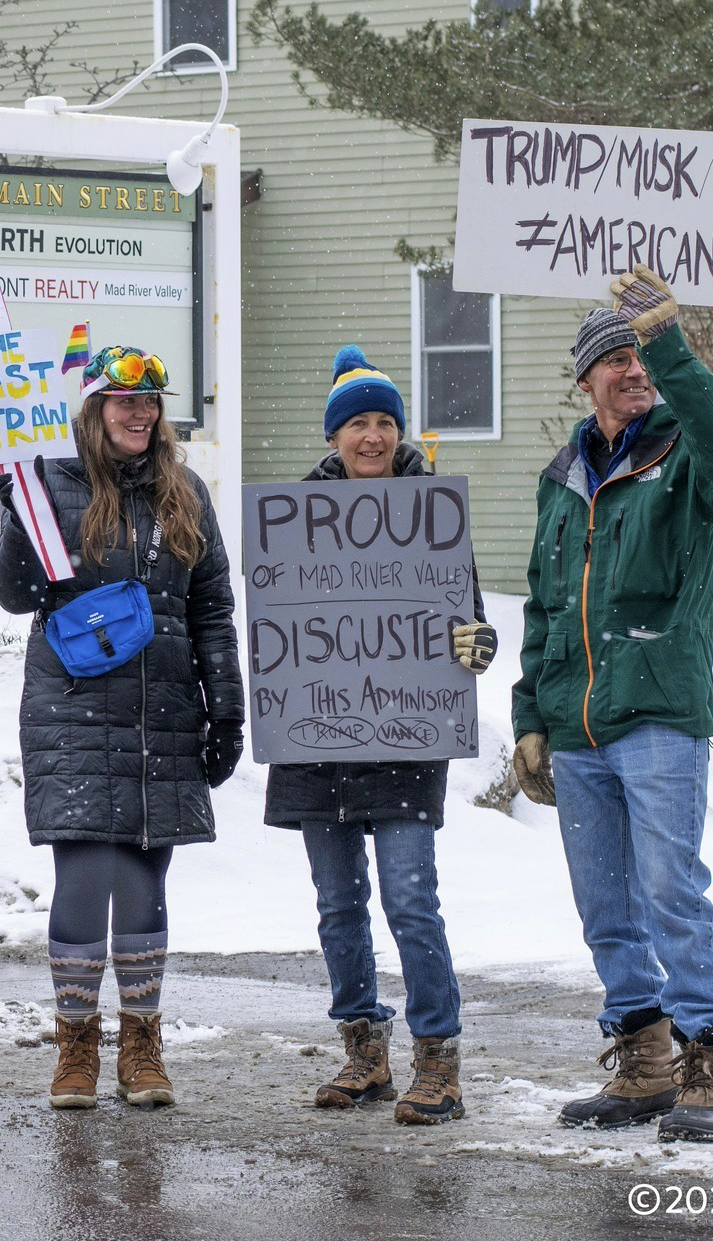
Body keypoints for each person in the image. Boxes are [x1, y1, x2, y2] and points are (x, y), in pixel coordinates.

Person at [510, 267, 713, 1144]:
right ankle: (644, 1063)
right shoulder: (559, 481)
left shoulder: (685, 456)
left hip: (658, 713)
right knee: (605, 903)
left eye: (636, 355)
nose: (631, 369)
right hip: (577, 727)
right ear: (585, 380)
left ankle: (708, 1062)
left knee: (669, 891)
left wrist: (669, 340)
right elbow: (545, 608)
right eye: (614, 357)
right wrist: (528, 720)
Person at [0, 345, 244, 1110]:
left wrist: (225, 706)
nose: (140, 414)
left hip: (161, 710)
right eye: (123, 402)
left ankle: (142, 1045)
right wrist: (17, 524)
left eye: (151, 402)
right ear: (95, 411)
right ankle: (75, 1051)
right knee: (84, 873)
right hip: (72, 708)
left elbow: (212, 608)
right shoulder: (49, 487)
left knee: (142, 876)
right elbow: (13, 595)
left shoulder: (186, 493)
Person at [264, 346, 497, 1125]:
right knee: (337, 905)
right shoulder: (292, 518)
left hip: (402, 736)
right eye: (357, 422)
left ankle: (439, 1059)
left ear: (400, 433)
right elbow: (278, 630)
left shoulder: (434, 516)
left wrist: (477, 645)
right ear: (333, 436)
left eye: (385, 422)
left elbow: (467, 618)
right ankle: (364, 1052)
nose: (372, 435)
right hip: (315, 744)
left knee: (410, 900)